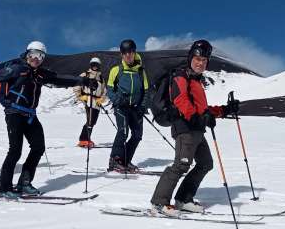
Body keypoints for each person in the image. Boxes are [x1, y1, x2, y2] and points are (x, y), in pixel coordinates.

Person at [0, 40, 95, 198]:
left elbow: (60, 78)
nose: (36, 58)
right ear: (27, 54)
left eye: (40, 56)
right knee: (15, 151)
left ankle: (24, 183)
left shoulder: (40, 74)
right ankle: (3, 188)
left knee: (38, 147)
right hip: (14, 113)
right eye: (33, 54)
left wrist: (83, 80)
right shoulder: (16, 69)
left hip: (30, 115)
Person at [150, 40, 240, 215]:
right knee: (181, 165)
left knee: (205, 163)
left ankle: (183, 199)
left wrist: (225, 110)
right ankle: (159, 203)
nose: (201, 63)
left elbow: (203, 110)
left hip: (196, 130)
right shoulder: (180, 76)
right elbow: (181, 101)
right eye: (198, 59)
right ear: (190, 58)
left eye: (204, 60)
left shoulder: (197, 81)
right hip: (184, 128)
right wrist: (198, 118)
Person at [106, 39, 149, 173]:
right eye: (125, 53)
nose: (128, 55)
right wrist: (118, 100)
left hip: (136, 108)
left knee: (137, 135)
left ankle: (125, 160)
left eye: (130, 52)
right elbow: (109, 89)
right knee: (123, 132)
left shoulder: (141, 72)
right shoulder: (116, 70)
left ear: (134, 53)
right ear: (121, 54)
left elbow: (146, 91)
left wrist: (142, 107)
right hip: (121, 107)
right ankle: (115, 160)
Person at [73, 57, 107, 148]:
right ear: (90, 65)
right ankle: (84, 139)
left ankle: (86, 138)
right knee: (90, 121)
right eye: (93, 64)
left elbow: (104, 90)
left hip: (97, 102)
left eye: (96, 65)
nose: (95, 66)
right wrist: (80, 96)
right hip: (88, 100)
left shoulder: (101, 77)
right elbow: (76, 86)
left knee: (93, 121)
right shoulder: (85, 75)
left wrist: (102, 99)